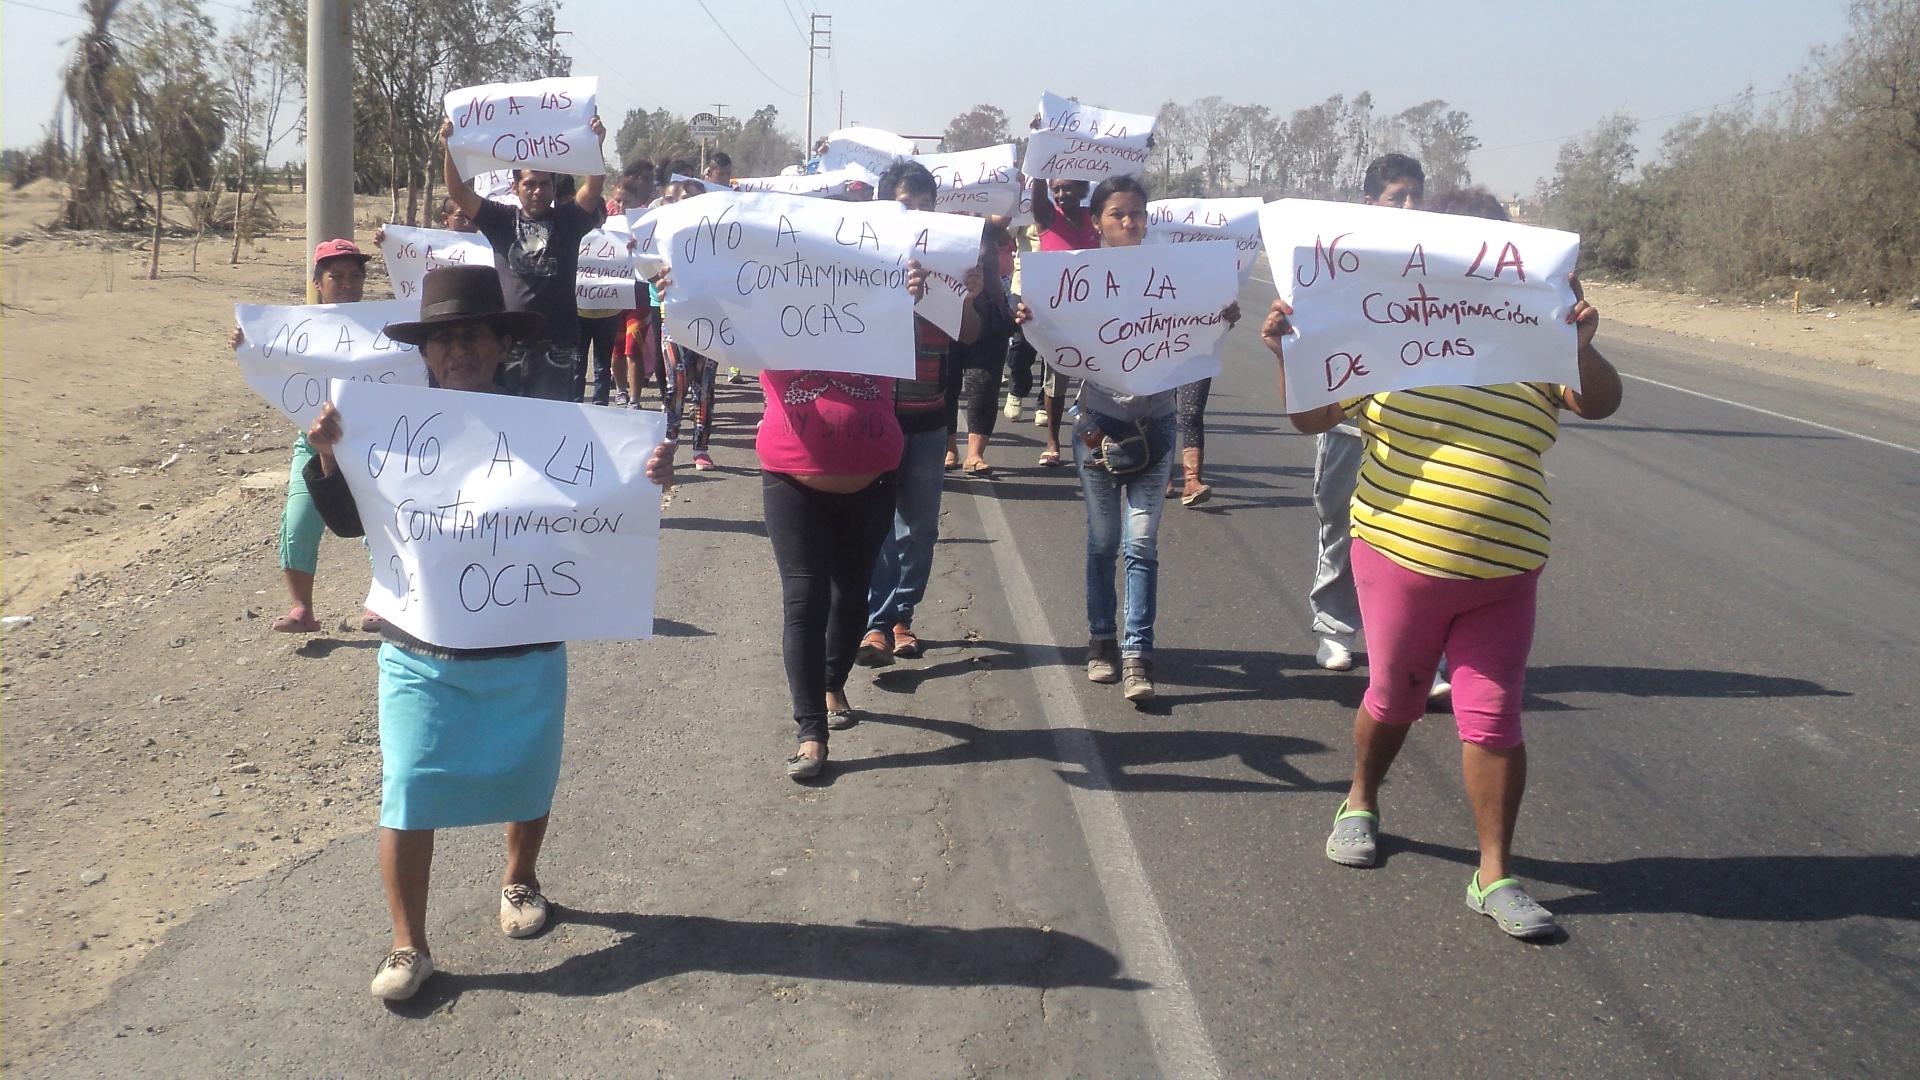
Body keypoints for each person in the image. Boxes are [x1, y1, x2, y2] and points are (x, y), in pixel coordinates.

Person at [301, 265, 674, 1001]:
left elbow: (602, 507)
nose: (458, 350)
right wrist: (328, 458)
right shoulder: (386, 429)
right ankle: (408, 945)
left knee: (527, 774)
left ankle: (520, 879)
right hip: (419, 648)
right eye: (443, 339)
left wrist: (647, 473)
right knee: (408, 788)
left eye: (473, 335)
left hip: (522, 642)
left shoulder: (553, 426)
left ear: (502, 344)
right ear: (426, 352)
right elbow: (346, 524)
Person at [1261, 195, 1622, 940]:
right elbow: (1312, 418)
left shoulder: (1535, 337)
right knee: (1393, 698)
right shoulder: (1389, 333)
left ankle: (1494, 874)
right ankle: (1360, 799)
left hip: (1507, 570)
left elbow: (1600, 403)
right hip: (1398, 560)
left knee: (1493, 717)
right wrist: (1291, 356)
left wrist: (1581, 345)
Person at [1015, 175, 1239, 703]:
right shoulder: (1076, 279)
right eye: (1117, 214)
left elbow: (1198, 331)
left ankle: (1138, 653)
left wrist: (1222, 317)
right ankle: (1101, 642)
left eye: (1136, 213)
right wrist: (1028, 318)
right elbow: (1049, 333)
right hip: (1096, 429)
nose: (1129, 222)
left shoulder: (1175, 276)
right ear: (1098, 222)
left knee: (1141, 543)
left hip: (1156, 427)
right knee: (1103, 541)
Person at [741, 250, 929, 780]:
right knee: (805, 599)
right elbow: (714, 317)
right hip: (791, 479)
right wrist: (684, 288)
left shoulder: (882, 299)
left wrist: (910, 296)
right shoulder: (769, 302)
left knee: (852, 593)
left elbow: (937, 332)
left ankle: (831, 683)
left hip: (874, 480)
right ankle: (811, 733)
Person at [854, 161, 984, 667]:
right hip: (876, 414)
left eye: (926, 206)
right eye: (907, 205)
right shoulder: (863, 257)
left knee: (920, 528)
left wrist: (969, 297)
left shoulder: (951, 259)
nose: (917, 214)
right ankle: (877, 624)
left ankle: (901, 616)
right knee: (878, 526)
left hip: (929, 416)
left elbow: (968, 334)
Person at [229, 239, 382, 635]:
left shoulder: (382, 327)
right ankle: (302, 609)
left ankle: (382, 602)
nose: (347, 284)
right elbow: (268, 364)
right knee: (299, 520)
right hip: (312, 440)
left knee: (379, 520)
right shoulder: (295, 330)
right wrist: (247, 346)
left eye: (355, 276)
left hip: (374, 441)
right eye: (336, 276)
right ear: (317, 282)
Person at [1311, 153, 1424, 674]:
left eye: (1415, 196)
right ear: (1369, 203)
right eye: (1397, 198)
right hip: (1345, 421)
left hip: (1410, 423)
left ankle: (1413, 646)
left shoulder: (1438, 261)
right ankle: (1334, 628)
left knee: (1410, 533)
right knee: (1340, 524)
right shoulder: (1340, 258)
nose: (1409, 206)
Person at [440, 113, 608, 403]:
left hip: (558, 343)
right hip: (509, 343)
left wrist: (596, 144)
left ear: (554, 188)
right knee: (507, 418)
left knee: (552, 421)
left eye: (544, 184)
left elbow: (592, 190)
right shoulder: (499, 220)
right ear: (515, 187)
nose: (537, 191)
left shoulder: (569, 220)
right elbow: (458, 192)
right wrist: (449, 147)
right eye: (529, 184)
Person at [1028, 176, 1099, 467]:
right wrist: (1039, 161)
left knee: (1095, 383)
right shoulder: (1047, 217)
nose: (1060, 194)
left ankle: (1095, 443)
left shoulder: (1095, 218)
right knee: (1055, 383)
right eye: (1055, 189)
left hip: (1095, 316)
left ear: (1083, 189)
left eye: (1067, 187)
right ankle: (1053, 442)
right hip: (1057, 318)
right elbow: (1037, 195)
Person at [953, 224, 1020, 473]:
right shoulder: (934, 223)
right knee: (947, 384)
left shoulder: (988, 227)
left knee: (984, 383)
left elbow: (1003, 218)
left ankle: (975, 454)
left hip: (990, 315)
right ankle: (949, 448)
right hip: (945, 313)